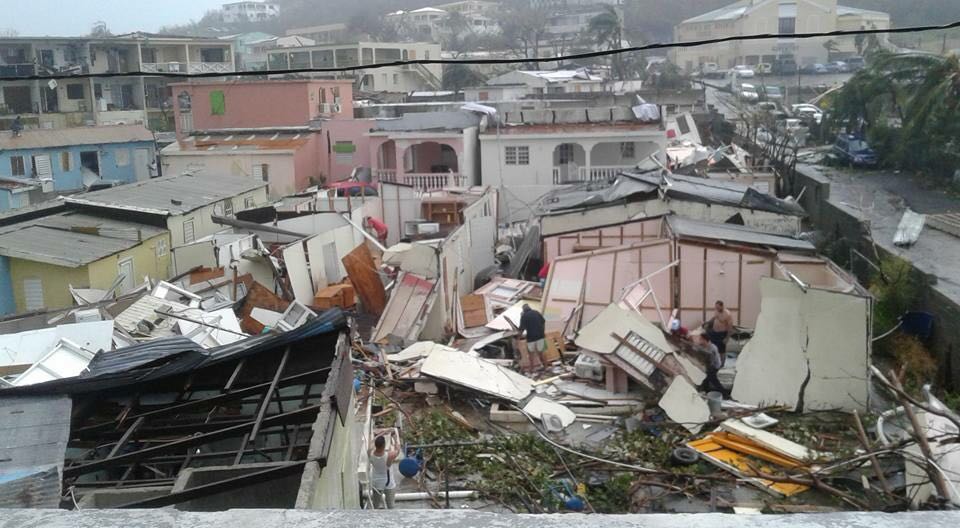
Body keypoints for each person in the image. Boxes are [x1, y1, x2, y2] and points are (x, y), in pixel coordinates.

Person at [369, 430, 400, 509]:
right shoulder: (389, 456)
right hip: (389, 483)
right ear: (384, 445)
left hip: (376, 483)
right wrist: (395, 436)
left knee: (375, 505)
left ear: (376, 445)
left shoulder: (370, 453)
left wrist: (381, 433)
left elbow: (371, 443)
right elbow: (398, 449)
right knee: (391, 506)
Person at [518, 303, 547, 373]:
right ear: (529, 308)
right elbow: (543, 321)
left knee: (531, 353)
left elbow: (521, 328)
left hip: (531, 338)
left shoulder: (524, 316)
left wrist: (518, 337)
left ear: (523, 310)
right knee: (541, 352)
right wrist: (542, 331)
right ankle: (546, 367)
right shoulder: (536, 312)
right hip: (541, 336)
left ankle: (531, 369)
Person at [706, 300, 733, 365]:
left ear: (722, 306)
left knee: (721, 351)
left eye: (718, 307)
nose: (717, 309)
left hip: (722, 334)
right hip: (714, 333)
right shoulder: (716, 311)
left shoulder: (727, 314)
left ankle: (722, 365)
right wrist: (709, 322)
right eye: (716, 307)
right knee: (713, 348)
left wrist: (727, 338)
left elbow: (730, 327)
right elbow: (714, 318)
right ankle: (714, 363)